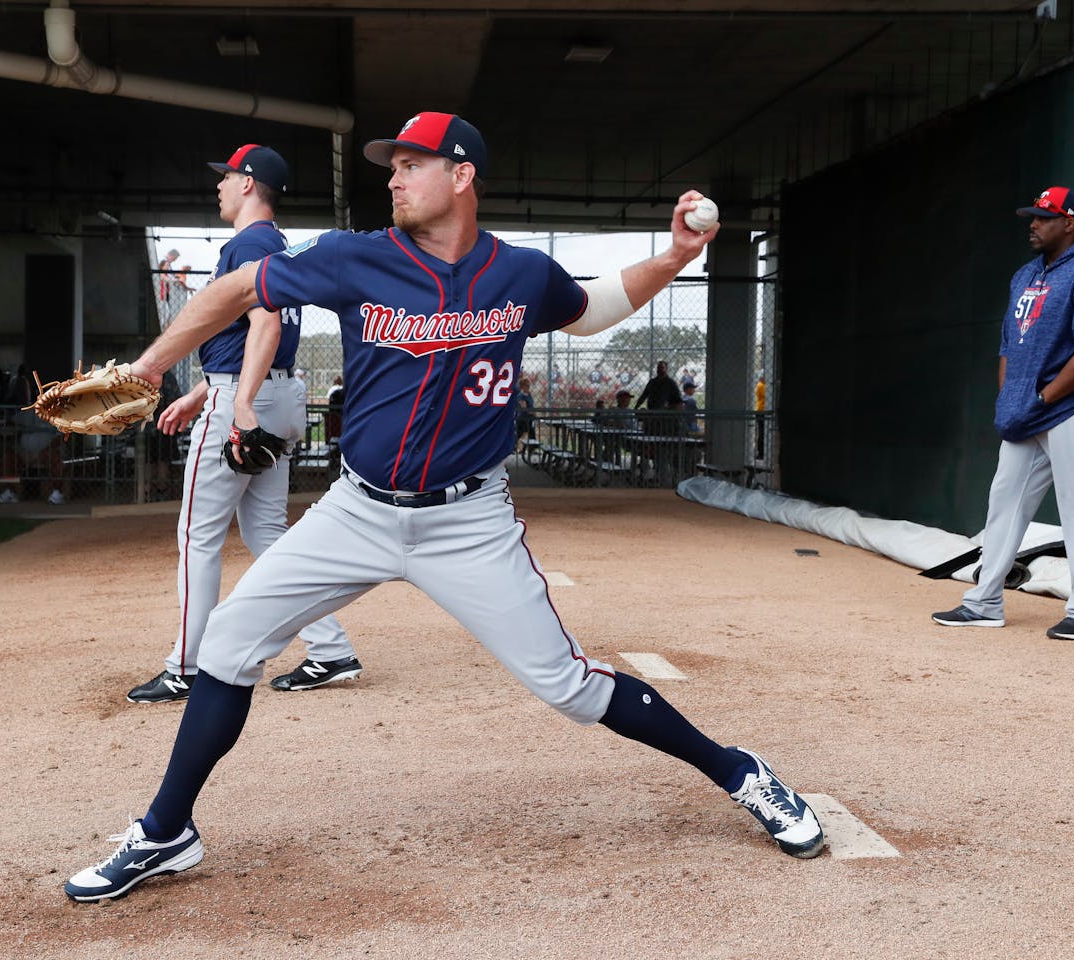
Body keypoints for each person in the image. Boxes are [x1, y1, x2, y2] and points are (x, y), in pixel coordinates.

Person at [63, 112, 823, 903]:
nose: (392, 177)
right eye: (390, 166)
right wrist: (152, 369)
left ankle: (741, 772)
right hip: (356, 510)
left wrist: (673, 255)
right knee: (227, 645)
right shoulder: (354, 258)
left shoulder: (518, 274)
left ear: (461, 176)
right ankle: (165, 832)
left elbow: (592, 305)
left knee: (567, 684)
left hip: (468, 522)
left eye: (411, 164)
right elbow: (236, 289)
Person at [124, 143, 364, 706]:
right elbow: (258, 338)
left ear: (250, 184)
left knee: (197, 536)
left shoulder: (247, 245)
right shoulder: (278, 246)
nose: (220, 186)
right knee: (266, 533)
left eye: (227, 177)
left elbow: (266, 325)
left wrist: (239, 402)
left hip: (248, 398)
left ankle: (185, 665)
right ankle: (331, 650)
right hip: (275, 394)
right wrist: (206, 391)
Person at [933, 186, 1074, 641]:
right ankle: (984, 601)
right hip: (1030, 410)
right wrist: (1013, 399)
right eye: (1032, 217)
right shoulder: (1026, 275)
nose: (1033, 224)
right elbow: (1008, 347)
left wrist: (1043, 399)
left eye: (1043, 217)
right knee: (1004, 502)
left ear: (1070, 222)